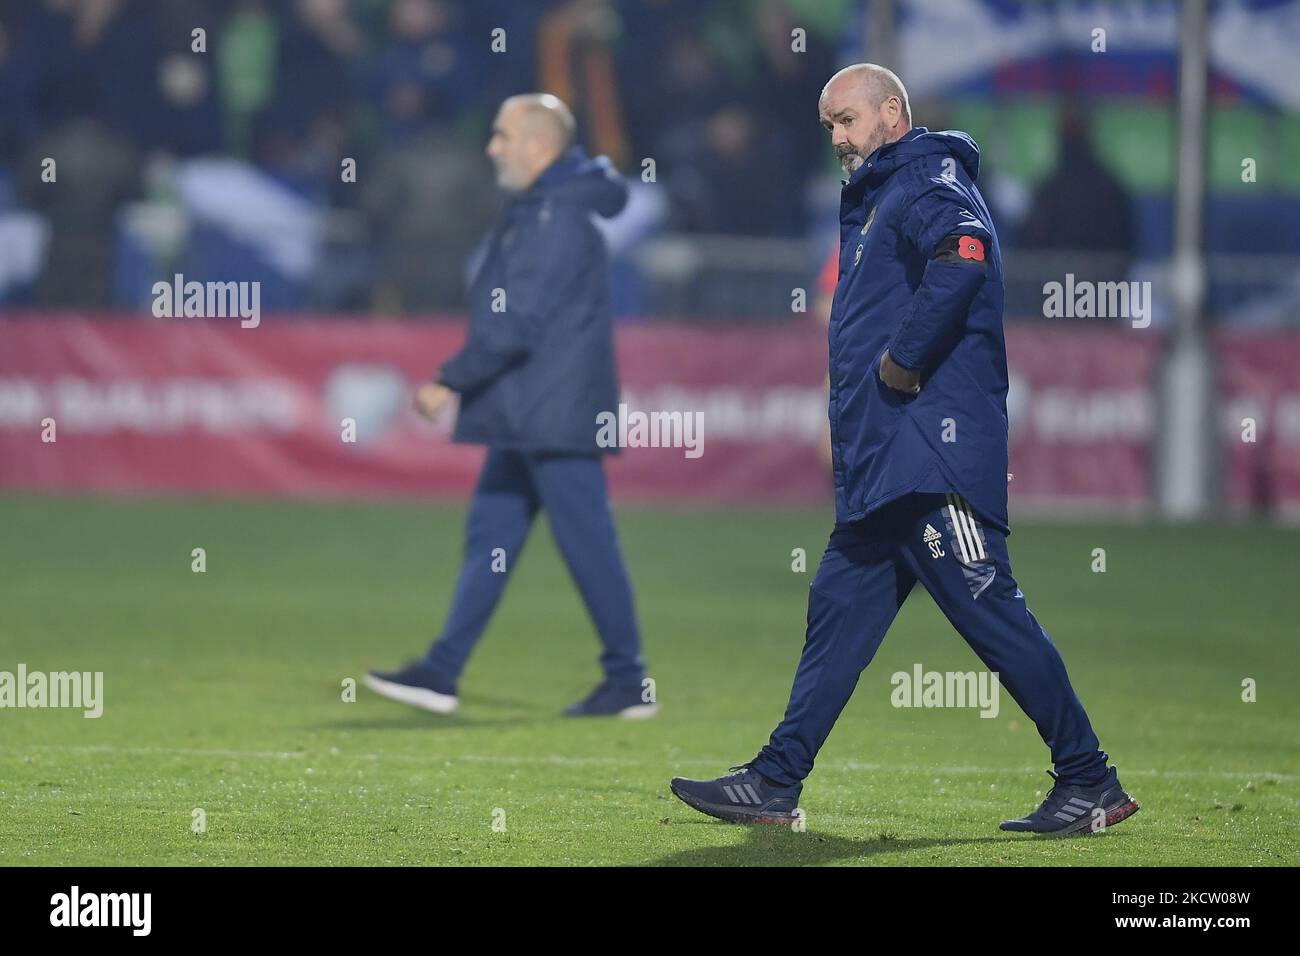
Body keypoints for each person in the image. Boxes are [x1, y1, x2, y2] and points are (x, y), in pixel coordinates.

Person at [669, 65, 1138, 834]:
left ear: (893, 112)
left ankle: (1089, 779)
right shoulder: (884, 191)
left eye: (848, 120)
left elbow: (965, 255)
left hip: (930, 459)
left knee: (991, 612)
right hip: (888, 461)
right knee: (836, 617)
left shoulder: (925, 176)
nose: (838, 138)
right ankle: (775, 781)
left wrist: (905, 359)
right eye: (828, 126)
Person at [366, 94, 654, 719]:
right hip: (533, 411)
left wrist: (451, 379)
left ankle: (629, 682)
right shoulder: (549, 208)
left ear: (538, 145)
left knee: (587, 545)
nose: (492, 147)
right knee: (492, 538)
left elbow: (516, 319)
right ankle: (441, 672)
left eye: (502, 135)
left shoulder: (552, 216)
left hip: (551, 413)